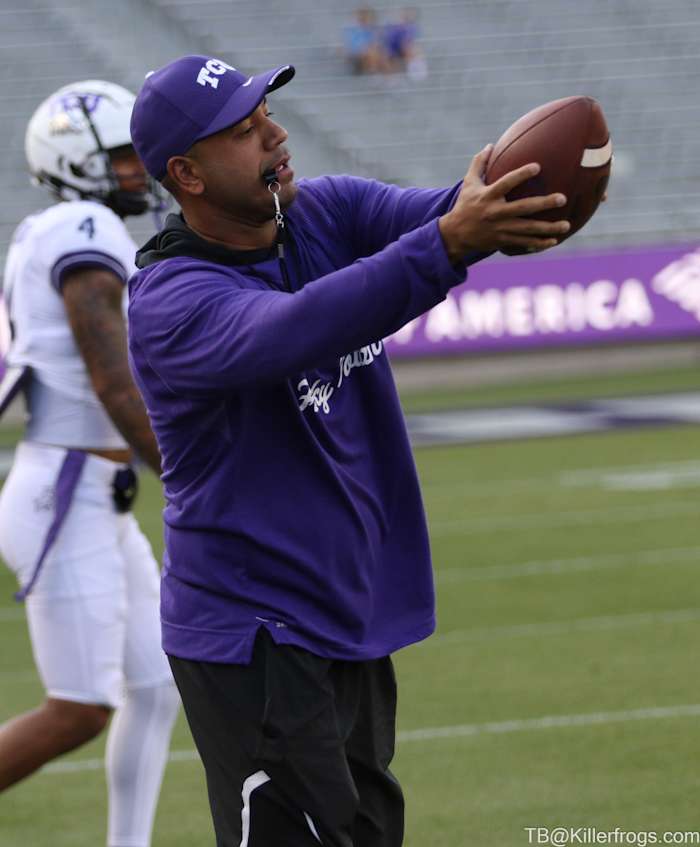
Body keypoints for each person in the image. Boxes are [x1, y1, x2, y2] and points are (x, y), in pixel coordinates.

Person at [127, 54, 570, 846]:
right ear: (187, 175)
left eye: (268, 112)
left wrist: (503, 203)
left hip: (341, 613)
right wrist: (446, 244)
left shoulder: (326, 212)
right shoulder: (171, 300)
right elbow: (301, 325)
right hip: (252, 630)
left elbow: (446, 215)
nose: (276, 132)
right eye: (244, 128)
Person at [0, 80, 180, 847]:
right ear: (78, 164)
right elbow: (111, 378)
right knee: (79, 705)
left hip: (91, 491)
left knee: (158, 681)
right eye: (123, 158)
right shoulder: (83, 225)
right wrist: (192, 470)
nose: (141, 170)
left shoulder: (62, 226)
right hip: (65, 487)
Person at [342, 7, 392, 75]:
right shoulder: (353, 30)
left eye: (367, 17)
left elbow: (378, 43)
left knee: (382, 52)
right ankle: (374, 74)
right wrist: (367, 47)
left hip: (371, 53)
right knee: (372, 51)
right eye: (363, 17)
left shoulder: (371, 30)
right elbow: (352, 47)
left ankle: (388, 77)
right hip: (356, 55)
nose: (365, 19)